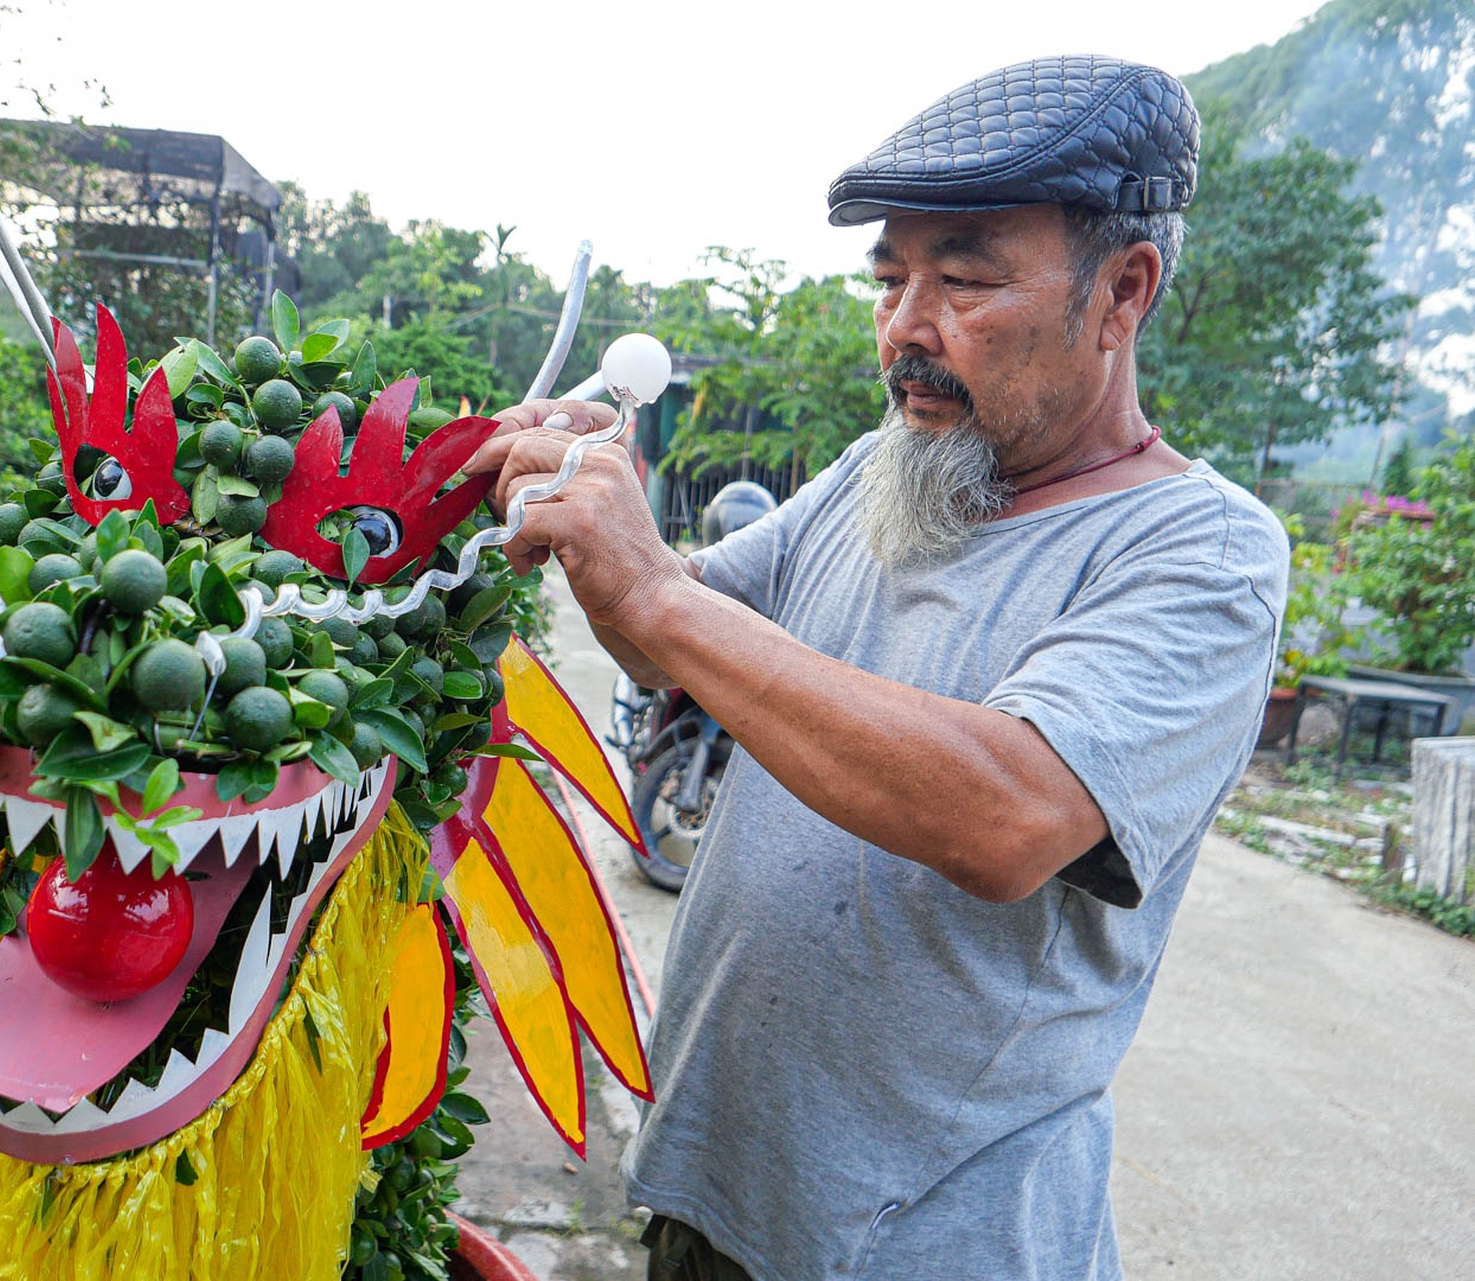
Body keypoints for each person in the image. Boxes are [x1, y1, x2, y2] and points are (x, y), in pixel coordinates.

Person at [465, 56, 1289, 1280]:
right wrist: (609, 525)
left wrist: (651, 589)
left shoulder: (1198, 551)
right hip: (715, 1182)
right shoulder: (881, 465)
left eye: (962, 279)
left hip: (926, 1241)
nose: (907, 327)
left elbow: (1008, 814)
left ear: (1124, 290)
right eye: (890, 279)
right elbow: (671, 640)